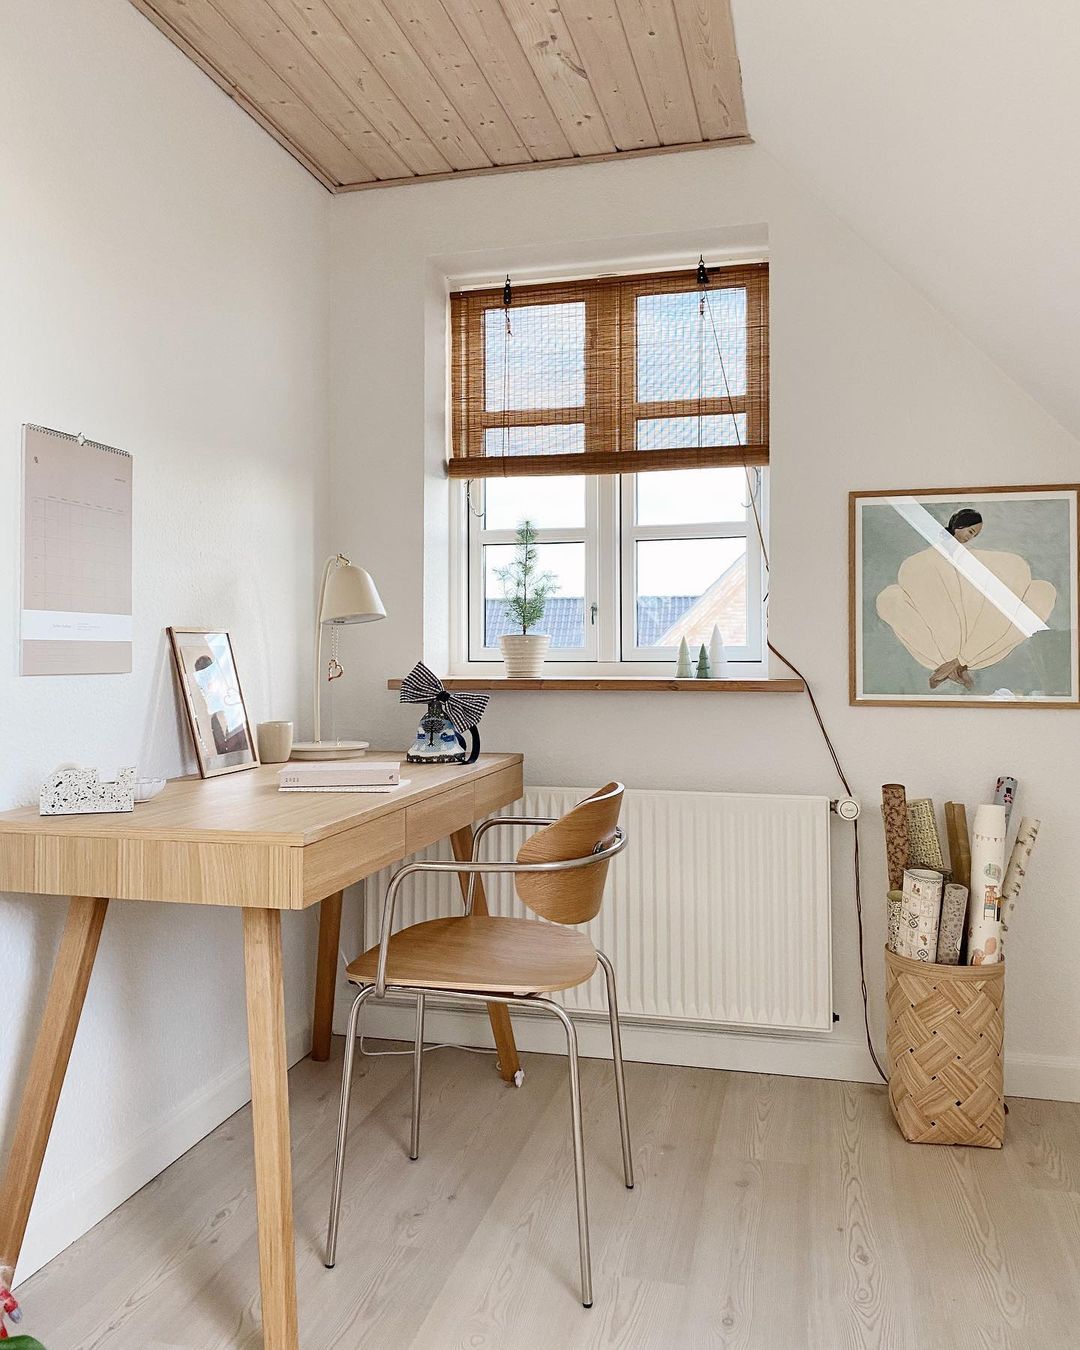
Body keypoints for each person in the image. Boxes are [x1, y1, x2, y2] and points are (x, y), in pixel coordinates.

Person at [875, 504, 1056, 691]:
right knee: (888, 599)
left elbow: (1011, 575)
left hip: (973, 643)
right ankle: (955, 665)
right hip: (940, 643)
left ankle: (955, 665)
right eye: (970, 531)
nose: (971, 537)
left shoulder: (976, 561)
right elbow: (938, 609)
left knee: (1042, 593)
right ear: (957, 527)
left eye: (975, 535)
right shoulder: (921, 562)